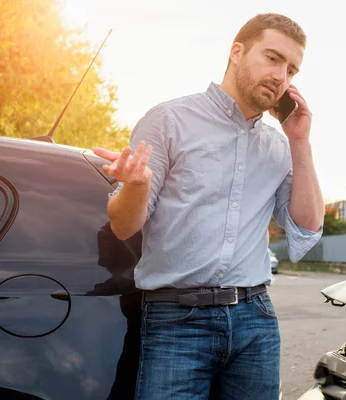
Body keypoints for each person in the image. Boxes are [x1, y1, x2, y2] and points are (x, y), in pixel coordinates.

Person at [92, 12, 323, 400]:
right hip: (176, 320)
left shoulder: (279, 146)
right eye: (272, 58)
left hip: (256, 319)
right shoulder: (168, 120)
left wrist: (300, 140)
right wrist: (137, 185)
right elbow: (123, 226)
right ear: (237, 51)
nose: (282, 76)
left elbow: (307, 226)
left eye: (292, 69)